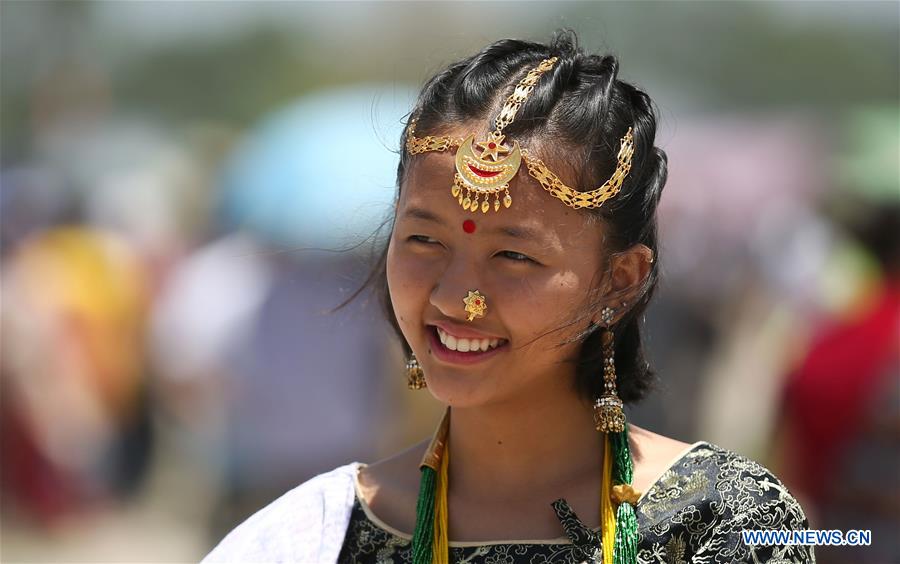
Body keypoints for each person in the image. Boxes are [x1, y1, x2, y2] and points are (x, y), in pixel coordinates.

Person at [202, 31, 813, 564]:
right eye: (423, 240)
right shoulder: (312, 536)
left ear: (619, 281)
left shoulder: (724, 525)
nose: (456, 297)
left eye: (514, 256)